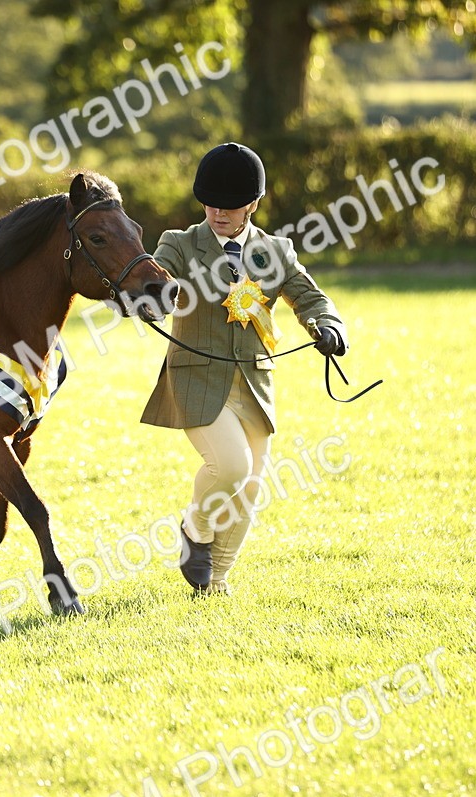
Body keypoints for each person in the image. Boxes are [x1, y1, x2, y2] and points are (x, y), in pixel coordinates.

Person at [140, 142, 349, 594]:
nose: (218, 213)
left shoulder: (276, 250)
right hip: (197, 376)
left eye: (231, 206)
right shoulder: (178, 243)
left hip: (254, 380)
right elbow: (163, 277)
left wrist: (327, 324)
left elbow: (309, 296)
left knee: (251, 486)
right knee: (230, 466)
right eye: (211, 203)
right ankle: (194, 529)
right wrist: (158, 298)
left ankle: (215, 583)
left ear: (253, 203)